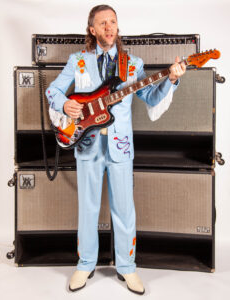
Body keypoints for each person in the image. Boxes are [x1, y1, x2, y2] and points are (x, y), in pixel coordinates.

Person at [45, 4, 186, 295]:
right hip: (87, 144)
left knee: (124, 209)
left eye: (113, 22)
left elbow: (150, 97)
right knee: (88, 207)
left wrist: (171, 78)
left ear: (117, 26)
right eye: (102, 23)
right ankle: (85, 264)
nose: (109, 27)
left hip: (121, 147)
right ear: (92, 30)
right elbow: (53, 91)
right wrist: (64, 104)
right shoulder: (78, 60)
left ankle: (127, 267)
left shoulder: (132, 63)